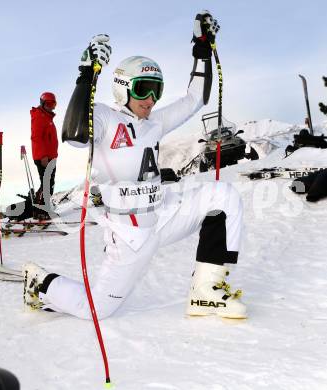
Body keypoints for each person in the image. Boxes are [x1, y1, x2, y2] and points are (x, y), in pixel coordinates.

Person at [23, 11, 247, 319]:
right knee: (98, 310)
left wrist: (202, 47)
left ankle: (206, 292)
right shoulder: (104, 116)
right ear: (123, 87)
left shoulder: (154, 121)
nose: (151, 98)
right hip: (130, 237)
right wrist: (87, 73)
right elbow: (74, 135)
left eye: (157, 89)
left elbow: (197, 98)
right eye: (143, 88)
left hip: (162, 218)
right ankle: (41, 284)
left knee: (224, 197)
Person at [30, 92, 59, 219]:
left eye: (54, 104)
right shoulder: (39, 116)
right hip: (44, 158)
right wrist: (43, 156)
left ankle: (42, 209)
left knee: (47, 184)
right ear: (42, 103)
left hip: (50, 157)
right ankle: (40, 211)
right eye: (49, 104)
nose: (51, 106)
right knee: (47, 184)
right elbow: (36, 138)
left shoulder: (47, 117)